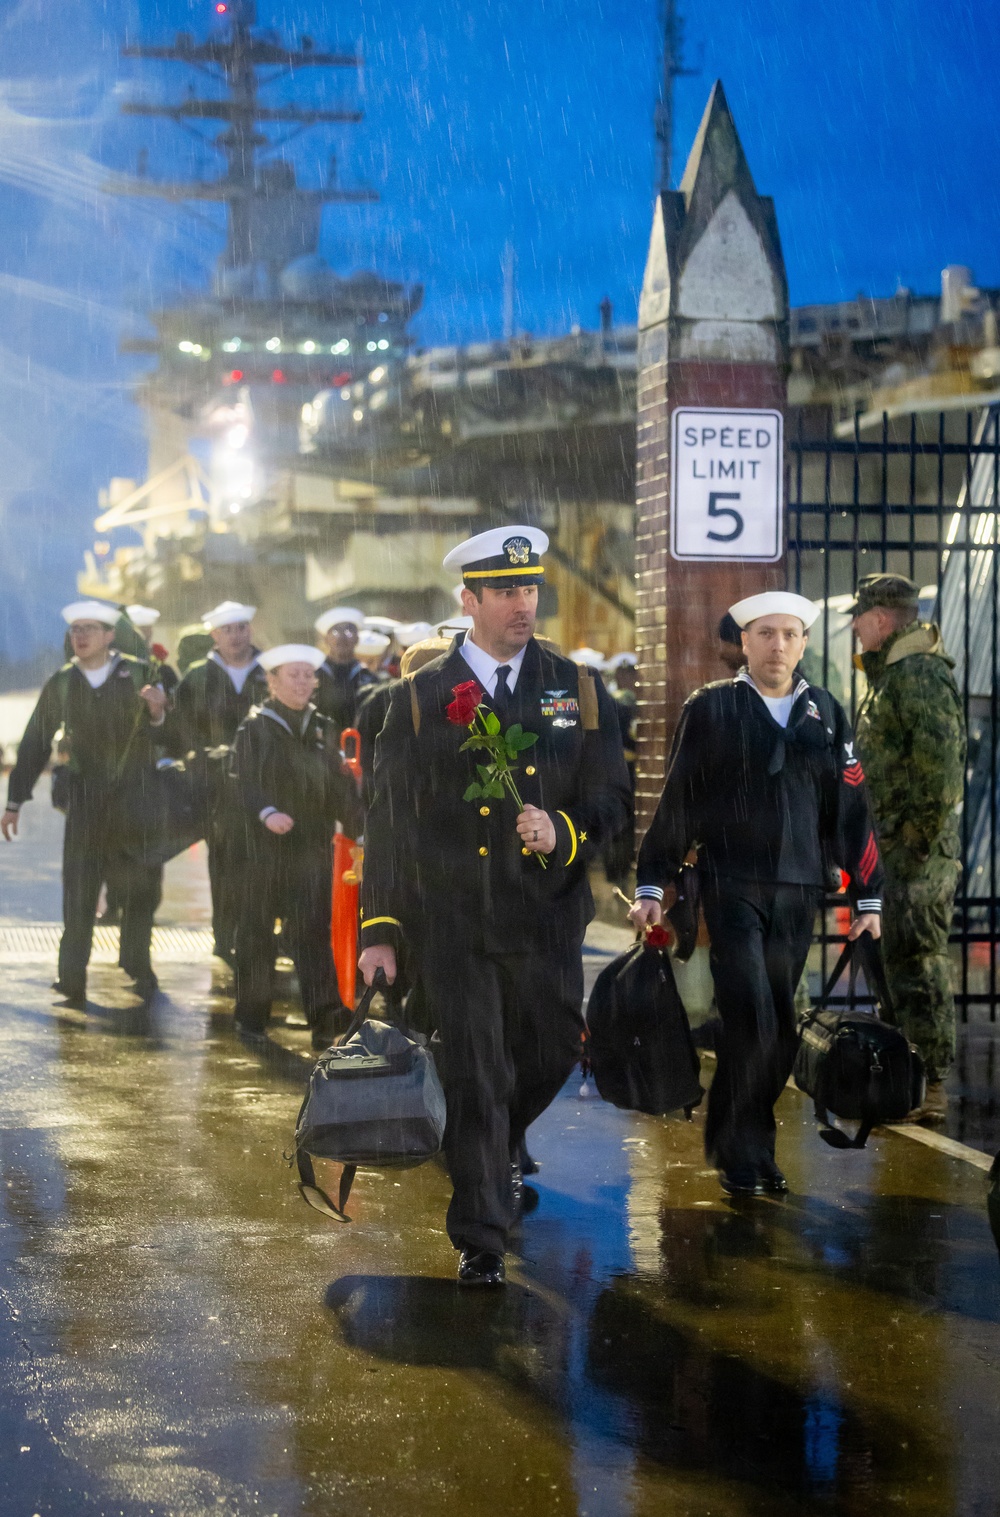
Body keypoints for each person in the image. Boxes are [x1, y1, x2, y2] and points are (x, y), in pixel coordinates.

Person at [358, 525, 631, 1286]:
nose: (522, 603)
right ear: (468, 599)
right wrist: (379, 926)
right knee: (476, 1069)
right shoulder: (417, 700)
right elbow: (388, 822)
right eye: (505, 590)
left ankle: (492, 1142)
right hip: (455, 922)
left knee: (546, 1053)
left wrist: (565, 830)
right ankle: (481, 1231)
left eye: (530, 588)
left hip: (545, 918)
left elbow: (611, 797)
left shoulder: (575, 686)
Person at [629, 591, 883, 1196]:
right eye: (766, 633)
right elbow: (679, 799)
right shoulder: (712, 709)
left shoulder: (824, 710)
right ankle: (742, 1153)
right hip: (732, 886)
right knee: (753, 1021)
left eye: (791, 634)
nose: (779, 645)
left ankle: (746, 1138)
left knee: (784, 1029)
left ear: (803, 643)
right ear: (744, 642)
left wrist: (868, 896)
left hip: (799, 891)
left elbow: (850, 808)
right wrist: (652, 882)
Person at [1, 601, 168, 1006]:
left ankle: (138, 965)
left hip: (134, 801)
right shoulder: (62, 682)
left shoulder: (141, 675)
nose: (81, 636)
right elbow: (35, 742)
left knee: (140, 889)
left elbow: (177, 740)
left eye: (90, 628)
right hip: (85, 802)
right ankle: (71, 977)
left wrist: (160, 712)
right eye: (76, 629)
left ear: (110, 635)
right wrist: (15, 800)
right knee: (78, 890)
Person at [851, 572, 966, 1122]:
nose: (853, 627)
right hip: (890, 849)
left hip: (915, 853)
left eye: (859, 618)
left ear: (879, 620)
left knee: (918, 962)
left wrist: (916, 839)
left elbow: (942, 769)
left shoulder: (917, 675)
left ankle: (934, 1082)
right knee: (894, 962)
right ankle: (908, 1077)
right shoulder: (890, 676)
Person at [228, 645, 363, 1046]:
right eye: (294, 675)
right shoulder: (255, 727)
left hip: (311, 846)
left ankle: (325, 1018)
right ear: (271, 681)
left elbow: (339, 785)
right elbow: (240, 782)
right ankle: (251, 1016)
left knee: (310, 930)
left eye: (309, 675)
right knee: (256, 931)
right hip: (264, 849)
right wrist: (266, 811)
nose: (304, 682)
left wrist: (358, 829)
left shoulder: (321, 727)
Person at [168, 600, 269, 962]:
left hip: (266, 784)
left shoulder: (270, 671)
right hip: (218, 789)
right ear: (214, 635)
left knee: (266, 861)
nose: (236, 636)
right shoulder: (198, 676)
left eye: (242, 627)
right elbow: (179, 727)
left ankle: (261, 934)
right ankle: (225, 935)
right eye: (228, 629)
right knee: (224, 862)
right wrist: (201, 760)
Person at [602, 652, 638, 887]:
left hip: (632, 769)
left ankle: (619, 869)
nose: (626, 678)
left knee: (624, 822)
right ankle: (615, 869)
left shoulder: (628, 700)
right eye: (623, 674)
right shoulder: (622, 701)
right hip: (619, 767)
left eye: (630, 674)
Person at [313, 608, 377, 731]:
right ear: (326, 639)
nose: (342, 637)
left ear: (357, 639)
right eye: (336, 631)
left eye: (349, 631)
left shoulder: (368, 677)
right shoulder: (313, 677)